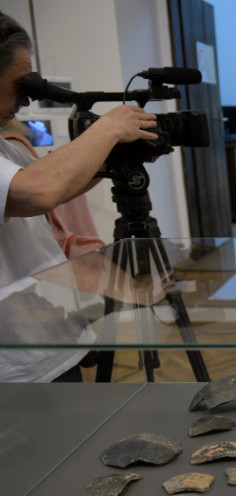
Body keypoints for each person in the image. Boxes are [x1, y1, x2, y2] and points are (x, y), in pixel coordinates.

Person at [0, 12, 159, 382]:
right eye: (18, 84)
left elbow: (61, 184)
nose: (24, 99)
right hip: (16, 367)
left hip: (44, 341)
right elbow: (39, 191)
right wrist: (107, 129)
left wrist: (117, 155)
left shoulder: (5, 147)